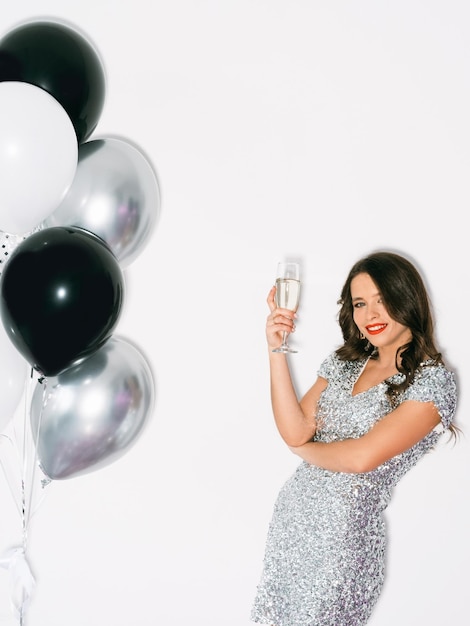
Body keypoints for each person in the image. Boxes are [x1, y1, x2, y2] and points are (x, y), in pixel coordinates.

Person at [251, 251, 458, 626]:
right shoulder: (346, 362)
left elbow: (361, 458)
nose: (370, 315)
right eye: (360, 303)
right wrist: (276, 347)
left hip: (343, 542)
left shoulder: (432, 381)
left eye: (383, 300)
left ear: (407, 299)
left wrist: (301, 450)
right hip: (293, 526)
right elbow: (295, 428)